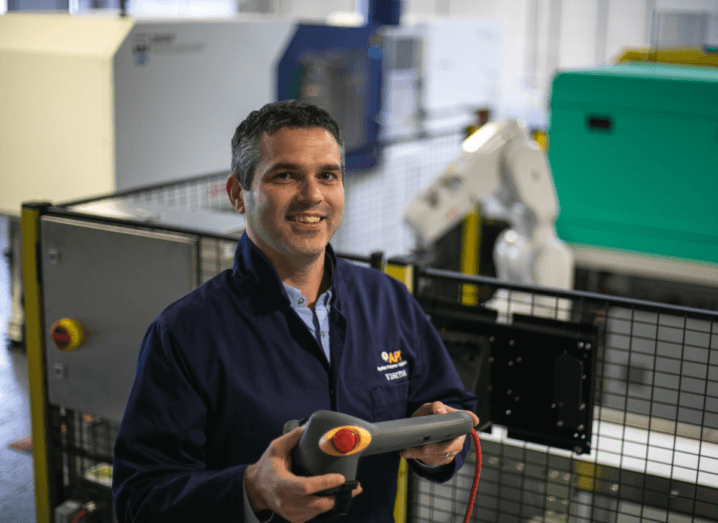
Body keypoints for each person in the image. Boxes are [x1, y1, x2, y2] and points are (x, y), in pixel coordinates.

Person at [112, 100, 478, 523]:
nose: (313, 195)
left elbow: (452, 408)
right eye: (285, 175)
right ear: (237, 194)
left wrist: (440, 447)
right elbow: (138, 499)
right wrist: (253, 489)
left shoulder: (387, 300)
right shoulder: (185, 334)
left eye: (328, 175)